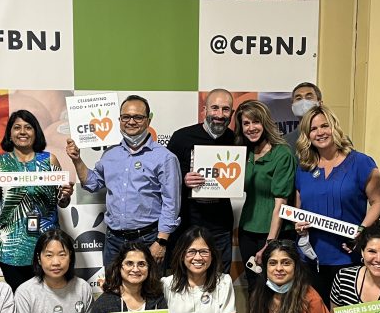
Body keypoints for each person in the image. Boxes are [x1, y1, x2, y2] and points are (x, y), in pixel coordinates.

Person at [66, 95, 181, 267]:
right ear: (119, 120)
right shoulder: (110, 154)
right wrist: (77, 159)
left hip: (148, 239)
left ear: (148, 120)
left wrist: (161, 242)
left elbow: (171, 204)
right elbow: (92, 184)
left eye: (138, 117)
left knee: (149, 285)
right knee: (112, 284)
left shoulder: (165, 158)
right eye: (126, 117)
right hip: (114, 240)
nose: (131, 122)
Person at [293, 105, 380, 302]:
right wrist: (298, 226)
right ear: (307, 135)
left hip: (348, 255)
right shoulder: (303, 168)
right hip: (311, 258)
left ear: (334, 127)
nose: (320, 132)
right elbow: (299, 209)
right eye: (313, 129)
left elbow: (378, 201)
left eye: (324, 126)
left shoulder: (360, 162)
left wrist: (362, 229)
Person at [0, 109, 74, 291]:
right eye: (17, 127)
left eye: (28, 127)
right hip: (12, 248)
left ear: (36, 132)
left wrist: (66, 195)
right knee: (19, 298)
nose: (22, 132)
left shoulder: (50, 161)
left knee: (49, 297)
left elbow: (62, 202)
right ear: (10, 133)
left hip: (47, 246)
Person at [167, 89, 237, 272]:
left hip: (220, 224)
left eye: (225, 109)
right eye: (215, 108)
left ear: (232, 113)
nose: (219, 114)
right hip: (186, 222)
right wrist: (183, 178)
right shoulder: (181, 137)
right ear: (204, 110)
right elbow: (166, 178)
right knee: (184, 275)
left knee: (220, 276)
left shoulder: (235, 140)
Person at [235, 100, 296, 290]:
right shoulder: (244, 154)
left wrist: (270, 242)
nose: (251, 128)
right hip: (247, 230)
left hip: (274, 232)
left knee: (275, 289)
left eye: (256, 122)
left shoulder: (282, 154)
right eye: (246, 123)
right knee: (254, 287)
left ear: (265, 123)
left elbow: (281, 204)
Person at [282, 81, 322, 146]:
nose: (303, 101)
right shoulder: (285, 142)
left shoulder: (330, 136)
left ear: (320, 103)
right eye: (298, 98)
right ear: (292, 105)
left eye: (309, 97)